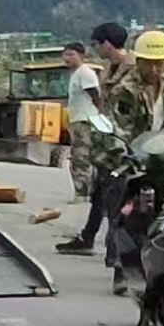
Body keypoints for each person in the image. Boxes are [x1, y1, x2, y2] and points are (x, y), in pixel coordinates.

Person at [102, 28, 164, 295]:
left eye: (160, 63)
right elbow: (116, 129)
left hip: (162, 159)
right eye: (150, 63)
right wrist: (127, 155)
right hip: (132, 160)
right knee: (126, 216)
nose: (155, 68)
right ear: (138, 61)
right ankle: (121, 270)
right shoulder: (124, 90)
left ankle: (159, 270)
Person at [55, 22, 132, 258]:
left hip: (124, 143)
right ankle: (89, 238)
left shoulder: (133, 69)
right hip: (107, 140)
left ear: (106, 44)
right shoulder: (110, 69)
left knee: (116, 196)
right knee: (100, 190)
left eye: (96, 44)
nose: (95, 49)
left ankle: (117, 249)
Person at [60, 41, 101, 201]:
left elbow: (95, 95)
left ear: (82, 56)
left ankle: (83, 192)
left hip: (85, 120)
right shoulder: (76, 74)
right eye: (65, 54)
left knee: (81, 157)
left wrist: (99, 114)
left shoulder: (85, 73)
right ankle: (86, 191)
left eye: (72, 54)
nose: (67, 58)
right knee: (80, 156)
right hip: (77, 119)